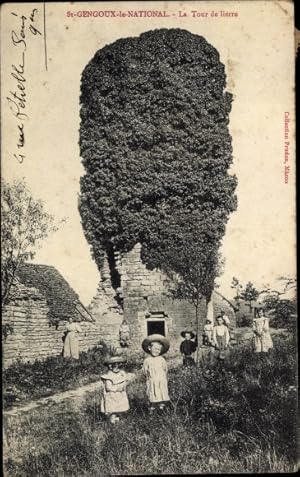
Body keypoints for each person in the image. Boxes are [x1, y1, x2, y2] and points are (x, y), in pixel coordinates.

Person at [100, 356, 135, 424]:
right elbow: (108, 387)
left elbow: (126, 379)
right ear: (110, 367)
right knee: (112, 409)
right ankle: (112, 421)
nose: (118, 368)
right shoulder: (109, 376)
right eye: (115, 366)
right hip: (112, 395)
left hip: (120, 395)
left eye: (119, 366)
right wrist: (117, 388)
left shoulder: (120, 374)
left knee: (119, 408)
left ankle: (118, 420)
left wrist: (124, 377)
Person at [142, 334, 170, 413]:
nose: (156, 351)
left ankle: (161, 410)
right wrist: (149, 378)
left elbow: (165, 369)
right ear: (149, 348)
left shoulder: (161, 359)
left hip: (161, 380)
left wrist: (163, 378)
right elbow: (145, 371)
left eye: (158, 350)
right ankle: (152, 410)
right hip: (152, 380)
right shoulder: (147, 360)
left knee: (161, 394)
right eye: (155, 349)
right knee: (153, 394)